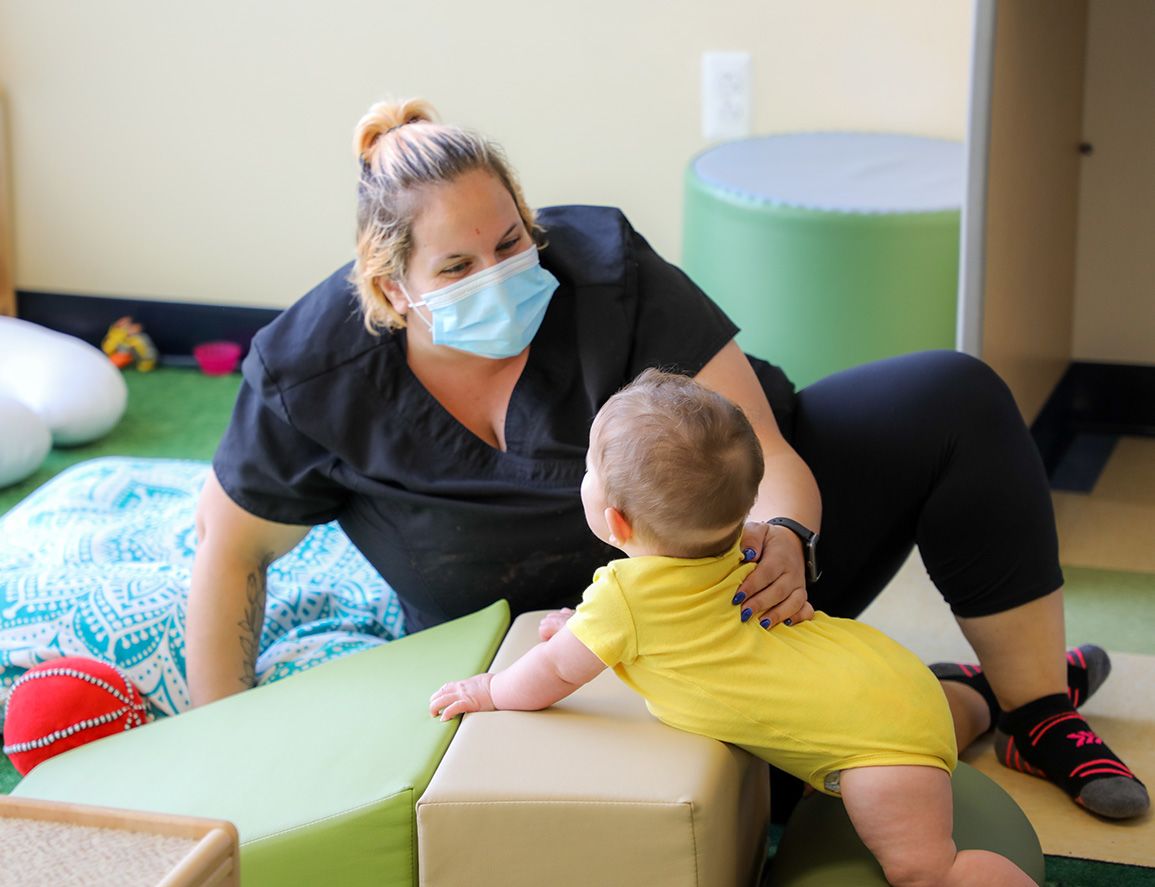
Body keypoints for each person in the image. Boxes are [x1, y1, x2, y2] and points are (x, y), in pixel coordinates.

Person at [188, 97, 1147, 821]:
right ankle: (958, 698)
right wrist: (218, 761)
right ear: (391, 289)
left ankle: (1035, 709)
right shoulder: (309, 373)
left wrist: (783, 532)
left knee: (954, 393)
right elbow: (229, 552)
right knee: (761, 800)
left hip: (737, 596)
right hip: (548, 664)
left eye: (511, 240)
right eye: (456, 267)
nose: (500, 274)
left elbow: (767, 451)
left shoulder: (604, 271)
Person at [430, 369, 1036, 886]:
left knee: (926, 871)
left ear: (614, 520)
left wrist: (488, 691)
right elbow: (623, 634)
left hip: (882, 749)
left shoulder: (625, 598)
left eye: (589, 469)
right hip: (885, 676)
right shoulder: (744, 543)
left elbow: (554, 671)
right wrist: (582, 630)